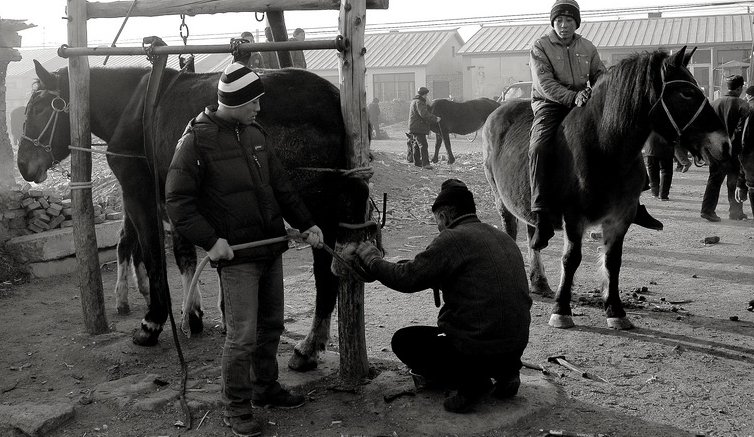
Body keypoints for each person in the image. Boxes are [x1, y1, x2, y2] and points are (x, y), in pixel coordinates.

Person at [165, 62, 324, 437]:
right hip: (236, 256)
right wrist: (210, 240)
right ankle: (236, 408)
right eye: (253, 101)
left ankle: (265, 387)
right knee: (241, 337)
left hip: (269, 246)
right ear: (233, 102)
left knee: (271, 326)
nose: (258, 108)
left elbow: (280, 186)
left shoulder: (254, 133)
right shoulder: (195, 141)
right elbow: (177, 201)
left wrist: (306, 223)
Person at [342, 179, 531, 414]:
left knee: (404, 341)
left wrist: (372, 260)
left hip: (477, 350)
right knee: (491, 327)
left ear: (443, 217)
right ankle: (507, 373)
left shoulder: (453, 238)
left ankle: (473, 382)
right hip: (514, 349)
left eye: (437, 223)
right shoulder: (502, 238)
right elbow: (424, 268)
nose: (438, 229)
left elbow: (407, 278)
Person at [528, 0, 662, 249]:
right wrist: (572, 97)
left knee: (624, 138)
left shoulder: (587, 47)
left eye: (569, 19)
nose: (563, 24)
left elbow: (600, 74)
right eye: (559, 19)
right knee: (539, 147)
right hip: (551, 104)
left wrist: (609, 90)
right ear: (553, 21)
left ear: (576, 23)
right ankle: (541, 212)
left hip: (583, 101)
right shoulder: (540, 46)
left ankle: (635, 204)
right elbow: (544, 84)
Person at [701, 74, 749, 221]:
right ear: (740, 88)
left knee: (714, 180)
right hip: (733, 151)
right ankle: (735, 211)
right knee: (733, 181)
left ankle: (707, 210)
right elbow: (742, 131)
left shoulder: (713, 104)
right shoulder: (743, 105)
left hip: (715, 150)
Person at [408, 86, 439, 170]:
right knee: (423, 145)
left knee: (416, 145)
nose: (426, 96)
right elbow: (424, 114)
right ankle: (426, 164)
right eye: (426, 94)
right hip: (418, 127)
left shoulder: (415, 101)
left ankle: (417, 162)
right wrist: (435, 118)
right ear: (424, 94)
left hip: (414, 127)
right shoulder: (420, 102)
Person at [643, 133, 675, 200]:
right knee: (666, 172)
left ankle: (655, 192)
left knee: (652, 171)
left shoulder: (650, 124)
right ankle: (663, 195)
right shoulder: (669, 125)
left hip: (649, 150)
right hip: (666, 150)